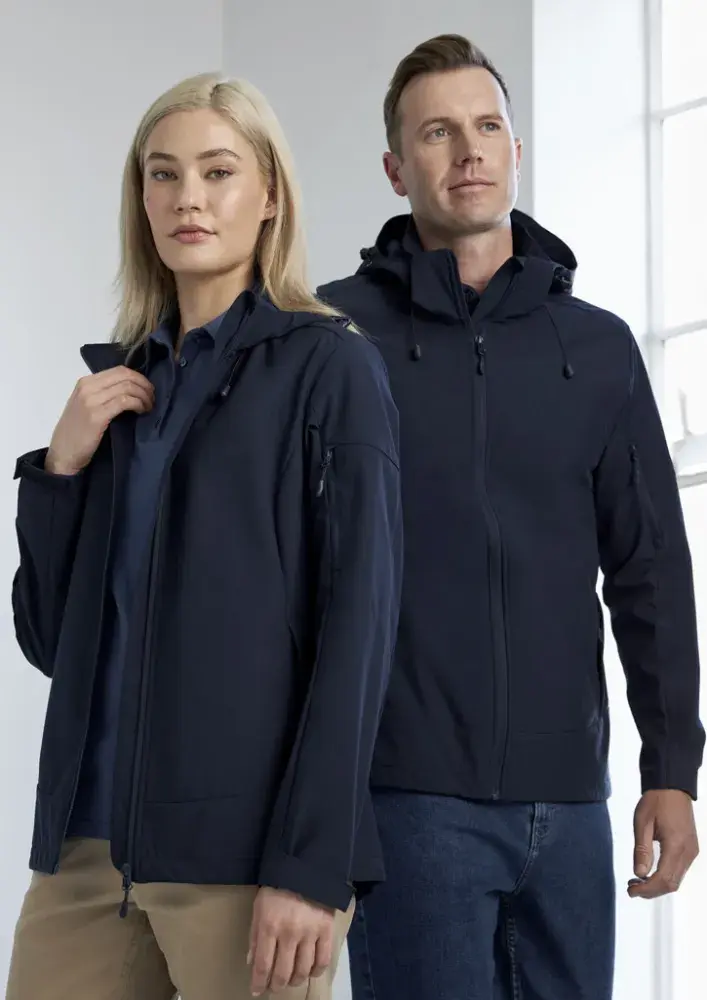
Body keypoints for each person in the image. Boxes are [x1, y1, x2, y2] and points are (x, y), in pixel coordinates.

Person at [319, 33, 704, 1000]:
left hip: (570, 805)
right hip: (408, 801)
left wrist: (670, 768)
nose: (468, 152)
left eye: (486, 127)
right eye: (437, 133)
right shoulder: (334, 338)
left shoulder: (598, 348)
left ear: (515, 150)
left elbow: (650, 569)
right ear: (395, 168)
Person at [7, 72, 402, 1000]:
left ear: (269, 195)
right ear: (140, 200)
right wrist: (57, 472)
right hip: (85, 852)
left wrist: (312, 863)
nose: (188, 197)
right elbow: (48, 642)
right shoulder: (119, 392)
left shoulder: (331, 368)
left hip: (246, 863)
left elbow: (359, 631)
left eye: (218, 172)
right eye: (163, 174)